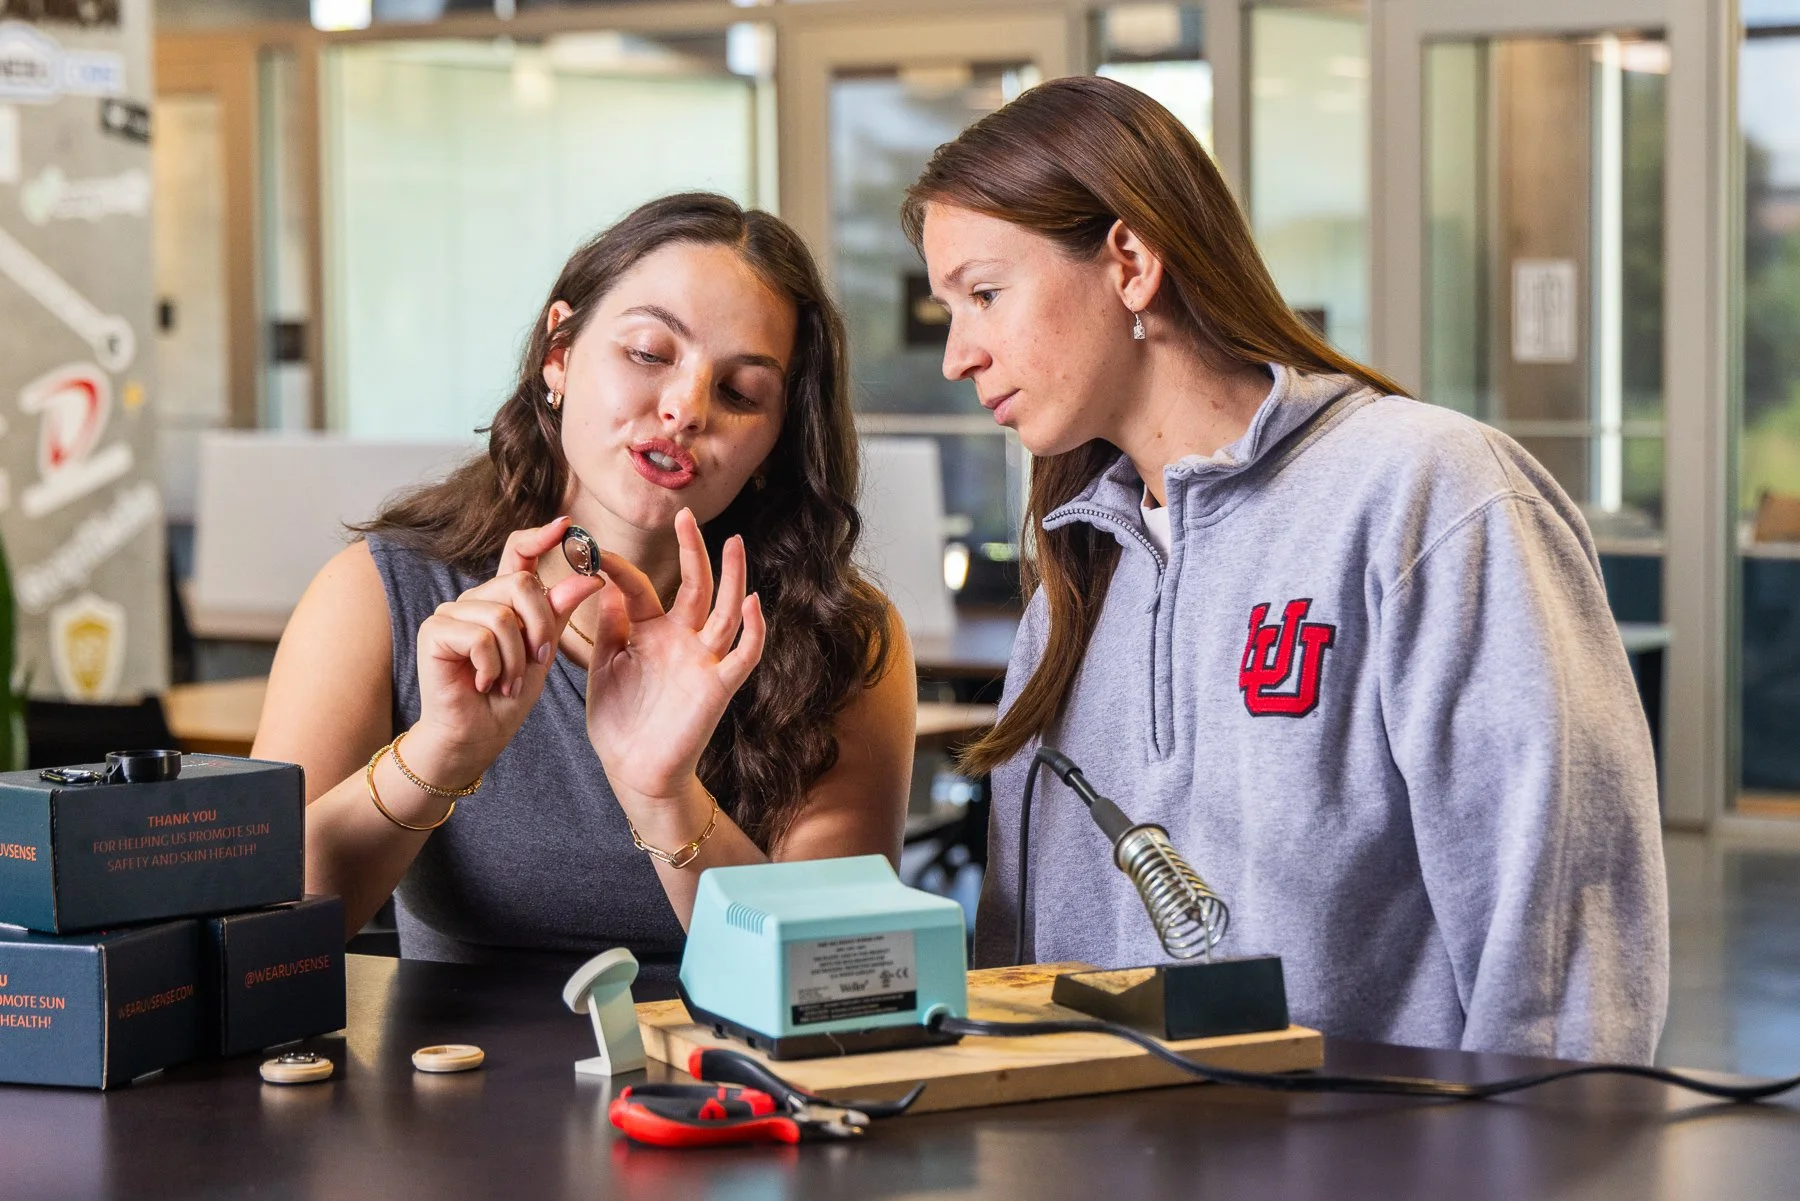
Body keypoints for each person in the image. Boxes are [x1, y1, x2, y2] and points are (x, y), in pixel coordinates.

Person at [904, 77, 1666, 1063]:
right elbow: (1017, 965)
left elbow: (1561, 945)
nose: (958, 355)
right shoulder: (1074, 581)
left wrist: (1545, 1153)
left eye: (986, 294)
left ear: (1129, 261)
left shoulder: (1430, 495)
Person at [254, 193, 916, 982]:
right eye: (647, 352)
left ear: (773, 444)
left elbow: (833, 976)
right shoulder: (381, 593)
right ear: (558, 354)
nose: (683, 408)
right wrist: (437, 753)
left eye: (740, 393)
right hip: (452, 1093)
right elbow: (262, 928)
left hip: (724, 1097)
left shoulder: (839, 634)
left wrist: (663, 793)